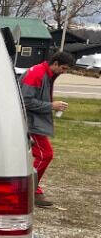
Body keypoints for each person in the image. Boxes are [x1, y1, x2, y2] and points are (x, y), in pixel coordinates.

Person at [20, 50, 76, 207]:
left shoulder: (45, 73)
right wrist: (52, 105)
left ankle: (32, 189)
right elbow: (26, 101)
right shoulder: (37, 74)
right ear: (56, 63)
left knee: (42, 154)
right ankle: (29, 190)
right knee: (45, 154)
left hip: (33, 120)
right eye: (64, 68)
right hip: (30, 121)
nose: (64, 72)